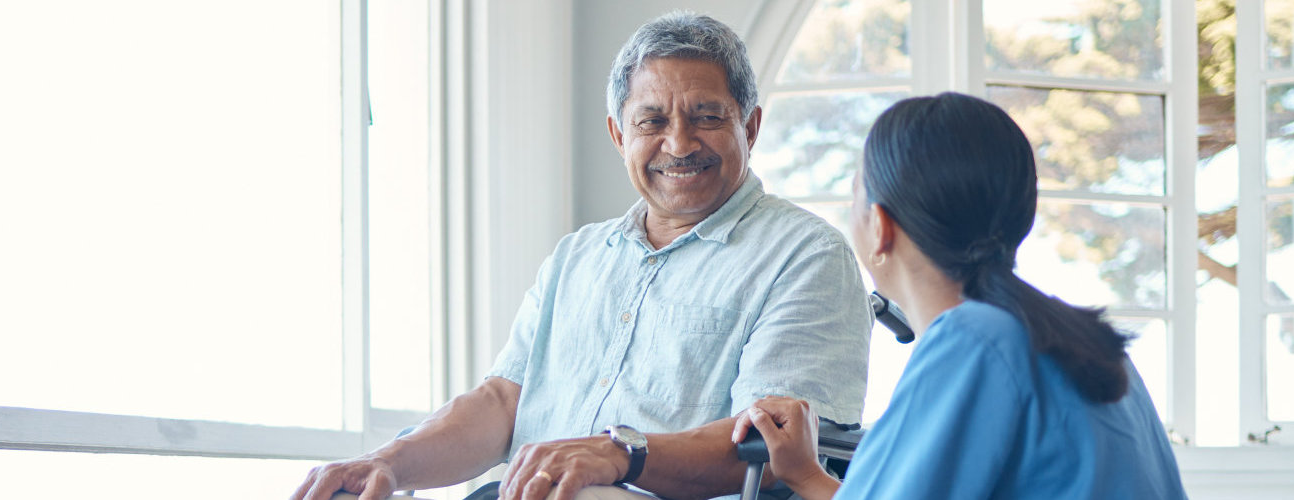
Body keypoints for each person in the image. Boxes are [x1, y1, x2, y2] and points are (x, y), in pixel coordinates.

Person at [290, 11, 871, 500]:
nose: (678, 143)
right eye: (652, 120)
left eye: (706, 117)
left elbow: (772, 448)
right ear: (620, 135)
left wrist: (619, 454)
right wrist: (390, 462)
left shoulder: (807, 255)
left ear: (751, 125)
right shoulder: (578, 256)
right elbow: (501, 403)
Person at [731, 92, 1187, 499]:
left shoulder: (974, 342)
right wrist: (808, 476)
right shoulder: (1081, 340)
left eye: (854, 199)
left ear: (881, 226)